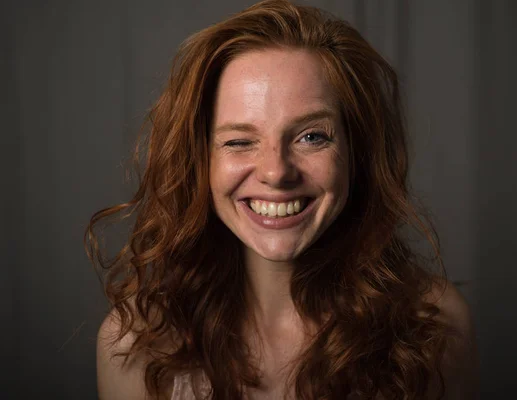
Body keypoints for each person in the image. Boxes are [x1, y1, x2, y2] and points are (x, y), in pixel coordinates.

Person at [87, 0, 478, 399]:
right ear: (199, 160)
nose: (276, 172)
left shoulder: (434, 327)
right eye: (239, 141)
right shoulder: (134, 344)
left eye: (312, 136)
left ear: (357, 151)